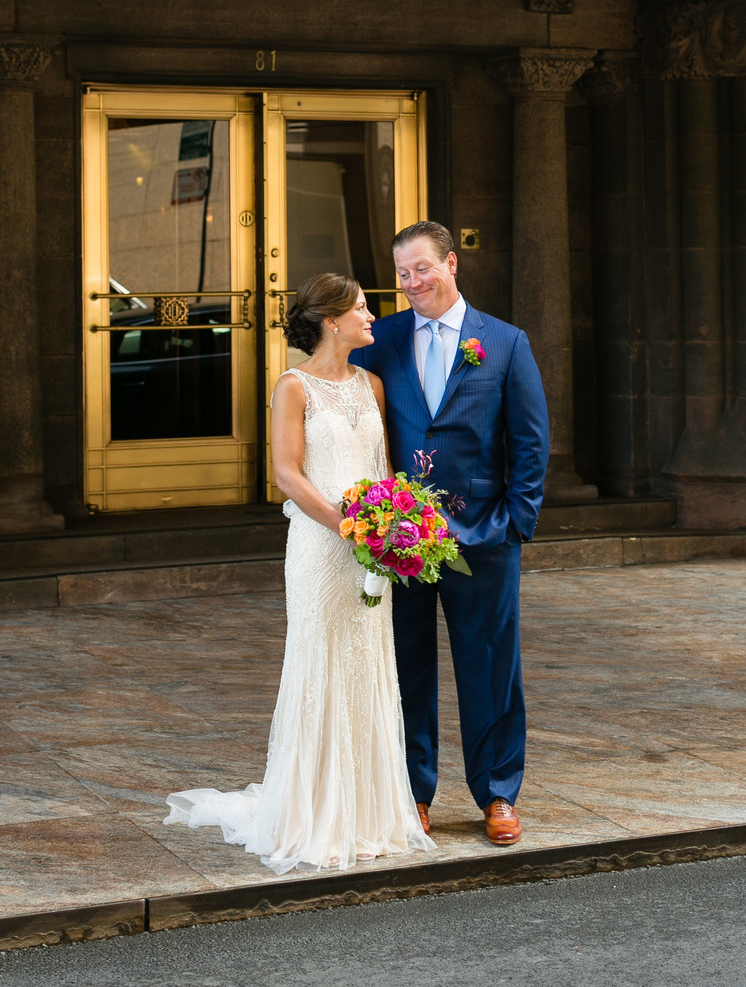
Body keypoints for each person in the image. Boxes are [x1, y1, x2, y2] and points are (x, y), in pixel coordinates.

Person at [164, 272, 434, 874]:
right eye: (363, 309)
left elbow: (383, 468)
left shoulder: (373, 385)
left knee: (367, 665)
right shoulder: (293, 387)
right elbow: (287, 473)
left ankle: (364, 816)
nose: (372, 316)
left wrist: (397, 528)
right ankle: (315, 815)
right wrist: (350, 528)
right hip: (321, 548)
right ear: (332, 320)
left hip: (370, 551)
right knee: (321, 665)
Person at [352, 221, 549, 846]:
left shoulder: (506, 344)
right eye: (403, 274)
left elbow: (530, 442)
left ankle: (498, 795)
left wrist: (514, 525)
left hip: (485, 538)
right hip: (402, 539)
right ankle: (414, 792)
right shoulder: (380, 339)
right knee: (406, 666)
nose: (412, 284)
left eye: (422, 270)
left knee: (491, 667)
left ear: (451, 264)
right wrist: (375, 519)